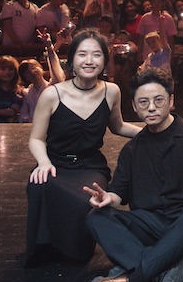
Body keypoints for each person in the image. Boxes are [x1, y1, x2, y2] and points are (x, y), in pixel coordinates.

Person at [83, 68, 183, 282]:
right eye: (143, 102)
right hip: (149, 224)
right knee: (96, 217)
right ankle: (165, 266)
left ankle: (131, 279)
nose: (151, 108)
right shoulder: (132, 149)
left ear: (171, 101)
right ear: (134, 107)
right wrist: (107, 198)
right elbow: (118, 192)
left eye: (158, 100)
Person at [23, 29, 139, 266]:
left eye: (96, 55)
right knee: (39, 185)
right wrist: (44, 162)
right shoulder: (52, 94)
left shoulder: (111, 91)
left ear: (104, 60)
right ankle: (48, 248)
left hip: (89, 165)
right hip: (55, 162)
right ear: (72, 59)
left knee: (85, 200)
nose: (89, 61)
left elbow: (117, 126)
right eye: (82, 54)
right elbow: (36, 138)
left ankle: (74, 250)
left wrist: (152, 130)